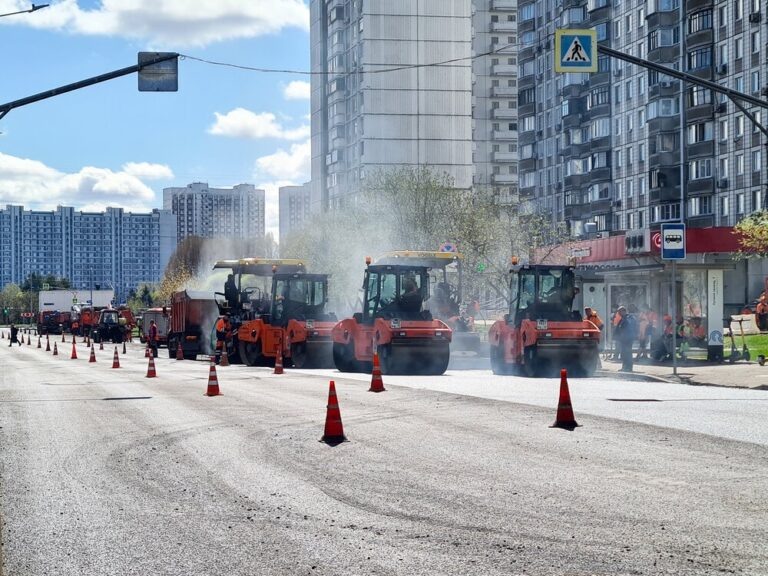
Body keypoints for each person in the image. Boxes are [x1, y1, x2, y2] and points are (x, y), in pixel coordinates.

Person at [613, 305, 637, 372]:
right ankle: (624, 367)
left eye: (620, 312)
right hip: (623, 339)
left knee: (627, 353)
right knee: (624, 353)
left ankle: (628, 367)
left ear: (624, 311)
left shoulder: (629, 318)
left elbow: (629, 327)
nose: (619, 314)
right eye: (618, 312)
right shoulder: (623, 318)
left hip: (628, 339)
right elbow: (619, 328)